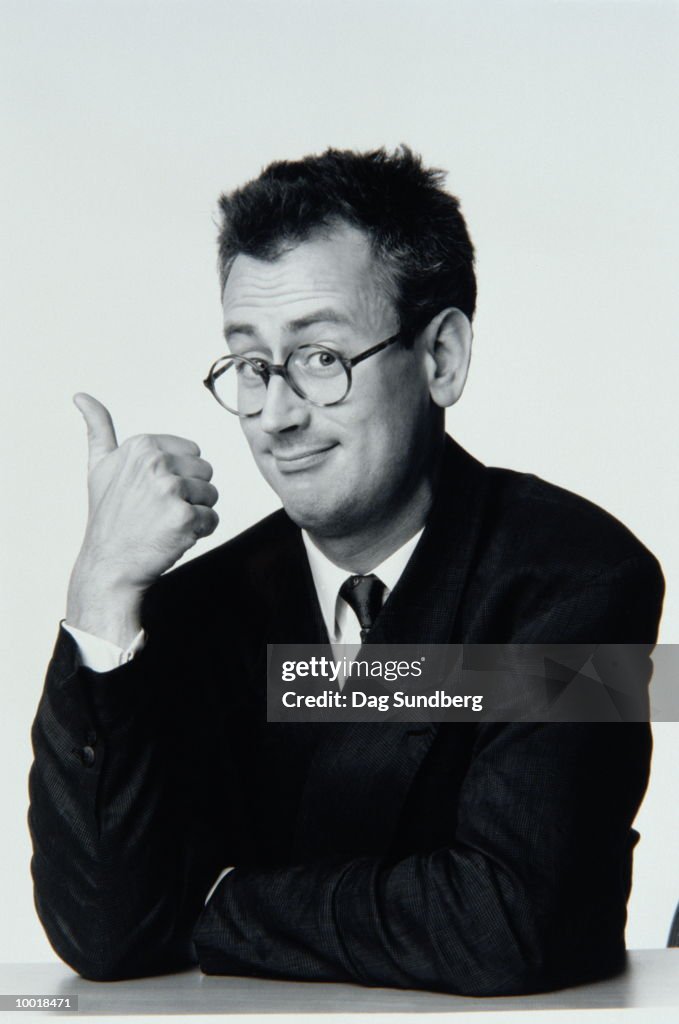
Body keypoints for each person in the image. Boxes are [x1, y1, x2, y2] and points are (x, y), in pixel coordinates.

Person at [29, 147, 664, 996]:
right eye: (252, 365)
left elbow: (513, 921)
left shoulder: (581, 580)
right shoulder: (193, 607)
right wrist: (100, 596)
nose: (278, 416)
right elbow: (108, 934)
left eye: (321, 357)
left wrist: (213, 901)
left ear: (440, 357)